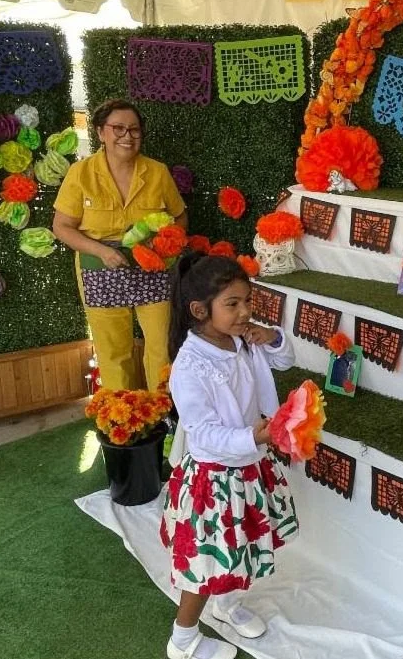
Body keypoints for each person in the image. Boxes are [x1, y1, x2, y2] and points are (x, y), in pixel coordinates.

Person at [161, 253, 298, 659]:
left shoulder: (243, 340)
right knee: (205, 564)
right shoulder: (190, 365)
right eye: (232, 304)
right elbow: (202, 432)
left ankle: (227, 603)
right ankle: (182, 640)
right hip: (214, 479)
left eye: (248, 301)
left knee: (245, 543)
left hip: (248, 466)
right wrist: (253, 436)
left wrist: (271, 337)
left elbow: (285, 359)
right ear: (200, 310)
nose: (245, 312)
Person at [52, 99, 187, 391]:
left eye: (134, 129)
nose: (127, 136)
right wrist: (102, 251)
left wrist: (165, 245)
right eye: (118, 128)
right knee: (113, 352)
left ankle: (163, 410)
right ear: (101, 132)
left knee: (161, 347)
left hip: (153, 270)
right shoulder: (81, 173)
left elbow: (179, 216)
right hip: (100, 269)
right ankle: (121, 414)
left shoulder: (157, 172)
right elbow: (61, 227)